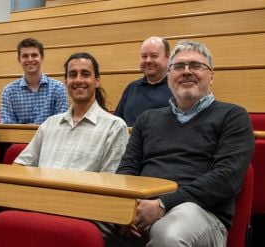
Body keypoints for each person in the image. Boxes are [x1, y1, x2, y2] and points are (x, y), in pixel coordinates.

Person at [106, 40, 255, 246]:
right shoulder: (147, 119)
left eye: (195, 66)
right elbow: (127, 170)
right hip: (144, 208)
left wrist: (162, 204)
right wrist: (124, 210)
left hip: (201, 213)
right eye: (178, 67)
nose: (186, 71)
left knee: (168, 235)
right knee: (85, 224)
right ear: (169, 77)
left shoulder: (233, 116)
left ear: (211, 76)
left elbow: (226, 178)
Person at [14, 52, 129, 172]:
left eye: (85, 74)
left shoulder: (114, 127)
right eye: (73, 75)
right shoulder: (49, 124)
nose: (78, 80)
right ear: (66, 81)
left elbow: (110, 182)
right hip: (41, 191)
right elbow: (21, 165)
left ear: (97, 81)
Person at [0, 37, 68, 124]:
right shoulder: (8, 91)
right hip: (20, 138)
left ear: (42, 58)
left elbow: (61, 125)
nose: (30, 59)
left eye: (34, 55)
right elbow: (8, 128)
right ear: (19, 60)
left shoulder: (58, 88)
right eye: (25, 56)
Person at [114, 36, 172, 126]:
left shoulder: (177, 88)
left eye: (154, 56)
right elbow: (117, 123)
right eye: (144, 56)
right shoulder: (131, 88)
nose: (148, 60)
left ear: (168, 57)